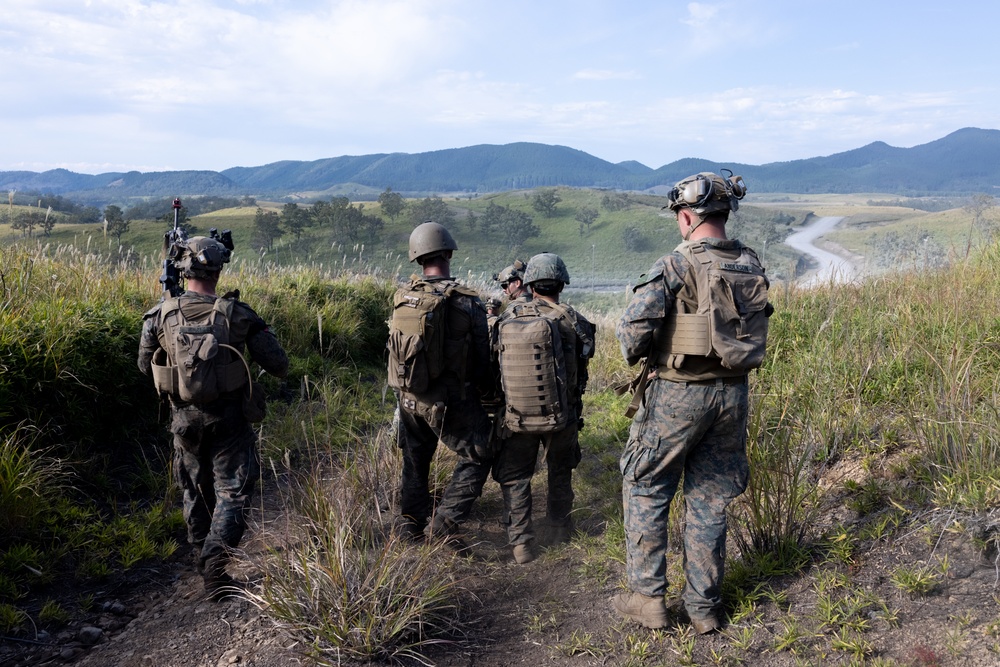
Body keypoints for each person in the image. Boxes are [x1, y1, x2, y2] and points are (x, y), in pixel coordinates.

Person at [613, 171, 770, 633]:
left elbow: (631, 338)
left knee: (645, 482)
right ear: (724, 214)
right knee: (712, 497)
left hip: (679, 393)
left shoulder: (675, 265)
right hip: (733, 395)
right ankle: (704, 607)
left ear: (686, 216)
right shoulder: (750, 264)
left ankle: (648, 600)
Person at [137, 236, 289, 601]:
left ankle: (201, 555)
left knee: (193, 487)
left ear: (182, 269)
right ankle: (215, 568)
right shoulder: (238, 315)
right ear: (219, 269)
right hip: (229, 418)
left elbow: (145, 367)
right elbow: (279, 365)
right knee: (232, 492)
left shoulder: (159, 315)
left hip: (184, 420)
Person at [389, 221, 495, 552]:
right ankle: (444, 523)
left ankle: (410, 525)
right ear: (448, 253)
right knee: (481, 452)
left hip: (409, 396)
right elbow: (481, 357)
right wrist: (486, 392)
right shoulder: (466, 301)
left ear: (417, 258)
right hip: (450, 398)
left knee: (415, 458)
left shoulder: (404, 296)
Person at [491, 253, 595, 564]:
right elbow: (584, 361)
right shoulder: (575, 321)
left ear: (530, 284)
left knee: (516, 476)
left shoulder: (505, 319)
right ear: (562, 282)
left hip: (516, 416)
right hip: (562, 415)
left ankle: (522, 543)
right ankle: (559, 530)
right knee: (560, 470)